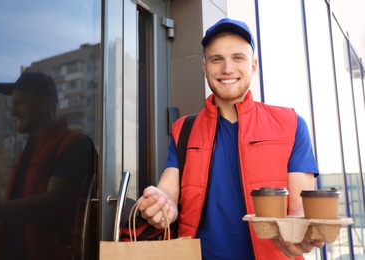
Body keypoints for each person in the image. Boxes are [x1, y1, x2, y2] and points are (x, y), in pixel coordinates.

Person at [138, 18, 324, 259]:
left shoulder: (291, 123)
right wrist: (160, 205)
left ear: (253, 65)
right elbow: (168, 195)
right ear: (205, 67)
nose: (227, 69)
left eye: (238, 58)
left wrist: (301, 227)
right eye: (217, 59)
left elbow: (300, 205)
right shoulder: (184, 129)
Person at [0, 72, 97, 260]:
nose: (13, 112)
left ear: (45, 104)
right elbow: (15, 221)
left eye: (20, 103)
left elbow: (49, 205)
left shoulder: (75, 145)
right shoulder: (27, 153)